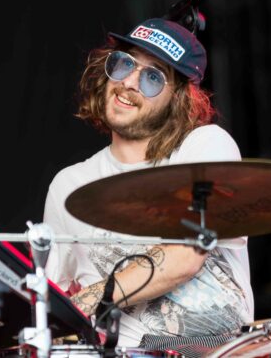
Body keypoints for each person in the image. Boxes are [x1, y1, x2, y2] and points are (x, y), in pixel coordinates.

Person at [43, 18, 253, 351]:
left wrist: (93, 296)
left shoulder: (204, 145)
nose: (128, 82)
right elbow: (49, 300)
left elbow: (186, 255)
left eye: (153, 77)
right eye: (124, 63)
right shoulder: (68, 185)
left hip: (215, 350)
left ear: (178, 98)